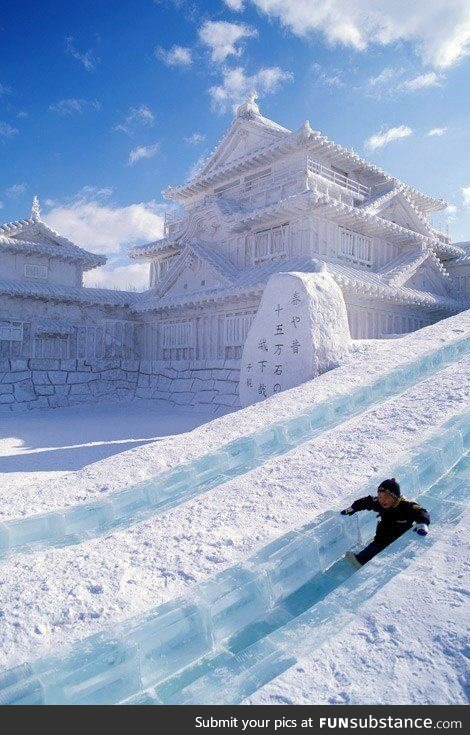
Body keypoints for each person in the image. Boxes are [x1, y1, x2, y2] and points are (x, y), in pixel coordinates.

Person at [340, 478, 430, 568]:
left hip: (400, 535)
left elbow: (421, 511)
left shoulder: (406, 506)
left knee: (382, 545)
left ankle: (365, 560)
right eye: (380, 496)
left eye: (386, 497)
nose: (382, 500)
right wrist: (353, 508)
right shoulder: (379, 503)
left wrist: (422, 523)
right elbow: (366, 501)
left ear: (395, 497)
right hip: (384, 533)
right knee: (378, 543)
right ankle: (361, 559)